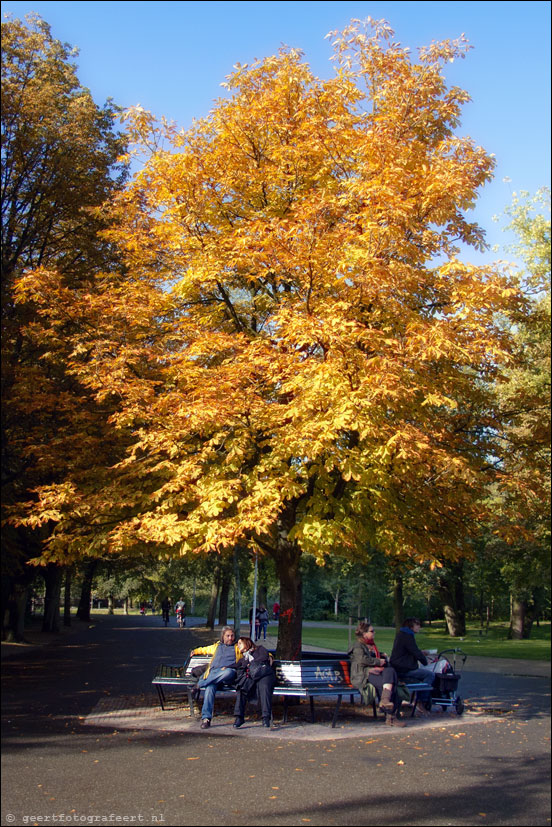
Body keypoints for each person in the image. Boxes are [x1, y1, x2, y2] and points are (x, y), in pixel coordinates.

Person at [349, 622, 406, 727]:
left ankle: (385, 701)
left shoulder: (370, 645)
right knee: (389, 685)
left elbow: (369, 658)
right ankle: (391, 717)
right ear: (364, 633)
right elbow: (362, 660)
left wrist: (381, 656)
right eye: (372, 631)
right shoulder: (358, 645)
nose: (374, 633)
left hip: (373, 672)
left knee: (390, 672)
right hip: (363, 675)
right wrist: (378, 662)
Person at [190, 626, 243, 729]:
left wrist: (269, 656)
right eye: (228, 636)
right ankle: (206, 719)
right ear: (223, 636)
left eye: (232, 636)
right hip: (214, 674)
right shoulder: (217, 646)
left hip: (228, 674)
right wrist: (195, 651)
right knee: (210, 688)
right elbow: (205, 649)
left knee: (228, 672)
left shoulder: (238, 647)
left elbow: (253, 649)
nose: (230, 638)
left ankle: (199, 685)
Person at [232, 637, 276, 729]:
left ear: (246, 643)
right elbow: (237, 665)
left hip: (264, 674)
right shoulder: (244, 658)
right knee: (242, 687)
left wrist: (251, 663)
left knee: (264, 687)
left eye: (240, 643)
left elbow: (264, 657)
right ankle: (239, 717)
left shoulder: (260, 649)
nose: (238, 645)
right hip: (253, 676)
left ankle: (266, 717)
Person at [389, 617, 436, 699]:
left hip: (397, 666)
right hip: (403, 668)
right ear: (410, 626)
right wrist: (425, 662)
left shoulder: (402, 634)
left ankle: (416, 699)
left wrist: (420, 653)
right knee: (430, 675)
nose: (419, 627)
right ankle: (421, 701)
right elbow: (415, 652)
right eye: (417, 624)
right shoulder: (407, 636)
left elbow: (409, 650)